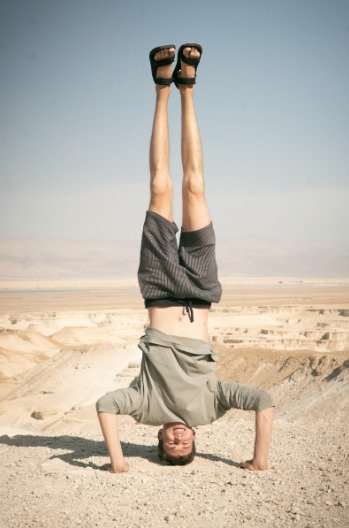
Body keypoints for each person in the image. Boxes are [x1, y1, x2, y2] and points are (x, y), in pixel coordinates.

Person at [96, 43, 274, 473]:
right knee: (195, 186)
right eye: (184, 444)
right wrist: (260, 460)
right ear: (194, 438)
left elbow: (105, 405)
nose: (178, 436)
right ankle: (188, 87)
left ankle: (161, 88)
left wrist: (117, 462)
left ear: (157, 438)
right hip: (201, 288)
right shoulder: (210, 410)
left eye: (171, 444)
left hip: (158, 291)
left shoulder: (145, 409)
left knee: (160, 186)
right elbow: (264, 401)